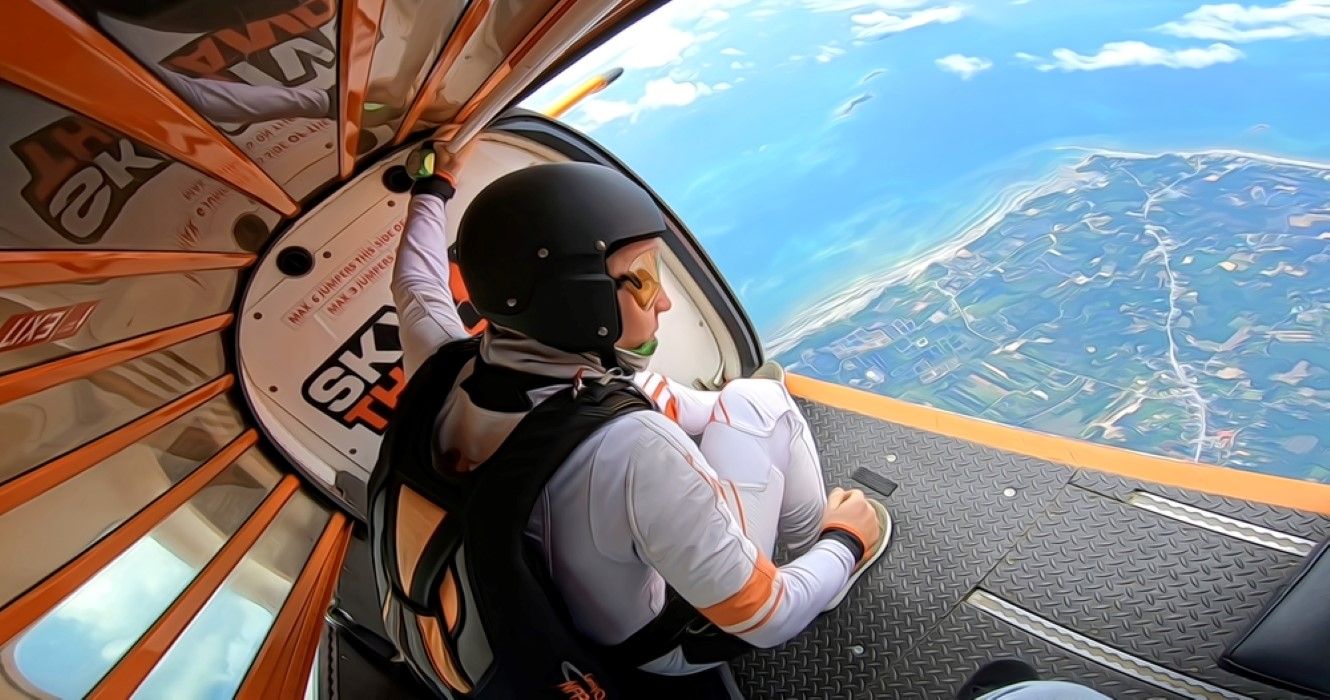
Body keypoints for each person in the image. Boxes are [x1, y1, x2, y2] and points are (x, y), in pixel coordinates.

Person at [382, 138, 892, 693]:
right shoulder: (634, 447)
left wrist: (431, 191)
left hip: (565, 602)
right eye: (644, 277)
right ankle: (811, 546)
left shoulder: (438, 363)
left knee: (655, 391)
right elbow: (762, 617)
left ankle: (736, 429)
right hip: (665, 643)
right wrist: (844, 543)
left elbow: (415, 282)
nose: (665, 301)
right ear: (578, 298)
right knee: (758, 402)